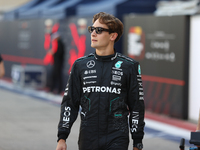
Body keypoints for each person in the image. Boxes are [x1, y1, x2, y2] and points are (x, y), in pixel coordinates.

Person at [56, 12, 145, 150]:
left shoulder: (129, 66)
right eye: (92, 29)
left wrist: (137, 142)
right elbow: (69, 103)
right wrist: (62, 137)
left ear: (113, 36)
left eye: (99, 30)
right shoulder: (80, 65)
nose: (93, 34)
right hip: (88, 137)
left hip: (117, 137)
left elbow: (136, 107)